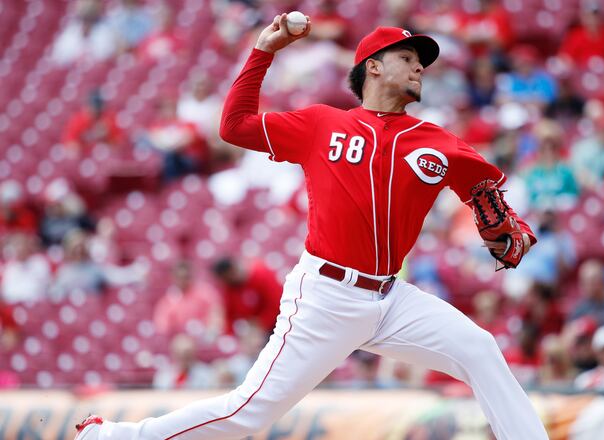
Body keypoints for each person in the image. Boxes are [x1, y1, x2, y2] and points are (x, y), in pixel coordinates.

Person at [75, 16, 548, 440]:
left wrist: (513, 229)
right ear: (373, 67)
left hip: (391, 299)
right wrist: (263, 52)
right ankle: (113, 438)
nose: (419, 67)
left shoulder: (437, 142)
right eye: (407, 58)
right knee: (248, 411)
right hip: (326, 296)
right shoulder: (322, 124)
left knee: (480, 350)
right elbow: (234, 126)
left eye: (420, 61)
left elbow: (486, 193)